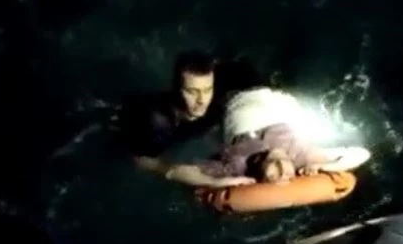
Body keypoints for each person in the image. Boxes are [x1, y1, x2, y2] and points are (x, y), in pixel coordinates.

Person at [117, 50, 261, 188]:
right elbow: (142, 161)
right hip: (126, 124)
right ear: (177, 89)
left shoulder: (218, 92)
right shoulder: (159, 122)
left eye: (207, 90)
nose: (202, 100)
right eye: (192, 92)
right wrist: (212, 182)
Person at [189, 87, 372, 187]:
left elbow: (186, 171)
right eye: (287, 176)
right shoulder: (302, 157)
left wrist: (214, 182)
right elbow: (361, 154)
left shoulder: (238, 166)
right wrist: (324, 167)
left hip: (235, 96)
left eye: (273, 178)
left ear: (260, 176)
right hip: (279, 93)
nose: (283, 174)